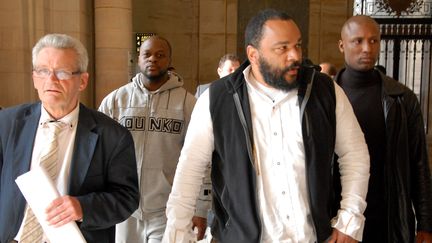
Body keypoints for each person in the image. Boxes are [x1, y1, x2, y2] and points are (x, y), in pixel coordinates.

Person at [162, 8, 370, 243]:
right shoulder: (217, 99)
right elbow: (190, 169)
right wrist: (177, 232)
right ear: (253, 54)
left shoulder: (325, 92)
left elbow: (355, 155)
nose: (295, 56)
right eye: (282, 48)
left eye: (298, 45)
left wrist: (350, 221)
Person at [0, 33, 139, 243]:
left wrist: (82, 207)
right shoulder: (7, 123)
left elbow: (126, 198)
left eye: (62, 72)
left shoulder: (113, 136)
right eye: (43, 71)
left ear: (82, 81)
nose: (51, 80)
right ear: (34, 78)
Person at [99, 36, 208, 243]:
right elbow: (97, 153)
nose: (153, 60)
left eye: (160, 55)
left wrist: (201, 208)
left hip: (168, 211)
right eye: (147, 54)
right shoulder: (115, 101)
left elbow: (204, 159)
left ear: (169, 60)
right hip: (125, 210)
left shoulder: (189, 104)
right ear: (137, 59)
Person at [336, 15, 432, 243]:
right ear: (342, 45)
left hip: (388, 217)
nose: (367, 48)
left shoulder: (401, 98)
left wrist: (426, 224)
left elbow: (419, 163)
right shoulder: (326, 96)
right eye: (357, 41)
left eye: (373, 41)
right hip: (339, 218)